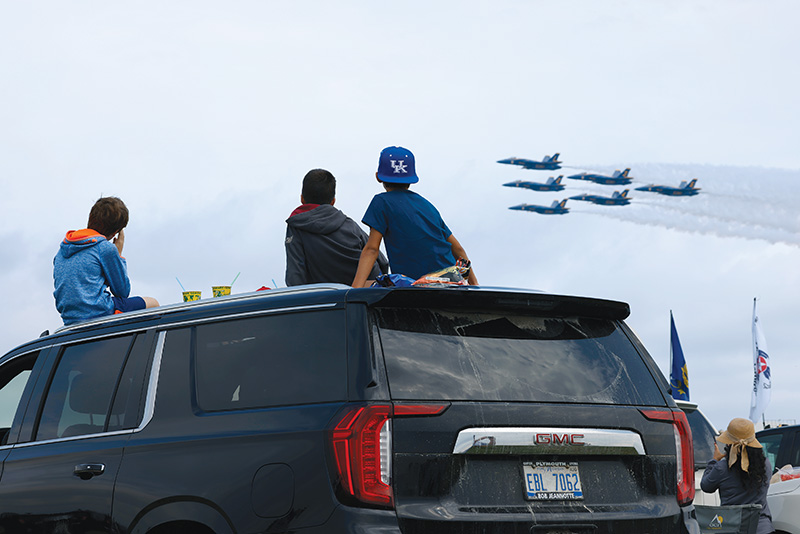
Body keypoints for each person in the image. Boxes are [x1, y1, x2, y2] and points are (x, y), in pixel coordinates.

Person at [352, 146, 478, 288]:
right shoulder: (427, 206)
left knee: (365, 285)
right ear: (412, 179)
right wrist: (474, 284)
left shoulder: (381, 202)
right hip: (451, 278)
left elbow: (372, 249)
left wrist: (354, 290)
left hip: (420, 284)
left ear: (378, 177)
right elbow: (458, 249)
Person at [53, 196, 159, 325]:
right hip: (98, 312)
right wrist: (118, 254)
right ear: (115, 232)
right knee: (153, 303)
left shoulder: (62, 250)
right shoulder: (105, 248)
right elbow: (122, 291)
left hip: (70, 319)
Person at [285, 168, 388, 286]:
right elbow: (382, 261)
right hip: (365, 292)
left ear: (302, 198)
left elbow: (295, 276)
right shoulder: (349, 224)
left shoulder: (296, 225)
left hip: (328, 296)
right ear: (333, 201)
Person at [701, 417, 775, 534]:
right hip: (762, 528)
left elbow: (706, 486)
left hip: (731, 529)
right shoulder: (765, 464)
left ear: (729, 443)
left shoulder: (722, 467)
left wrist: (713, 461)